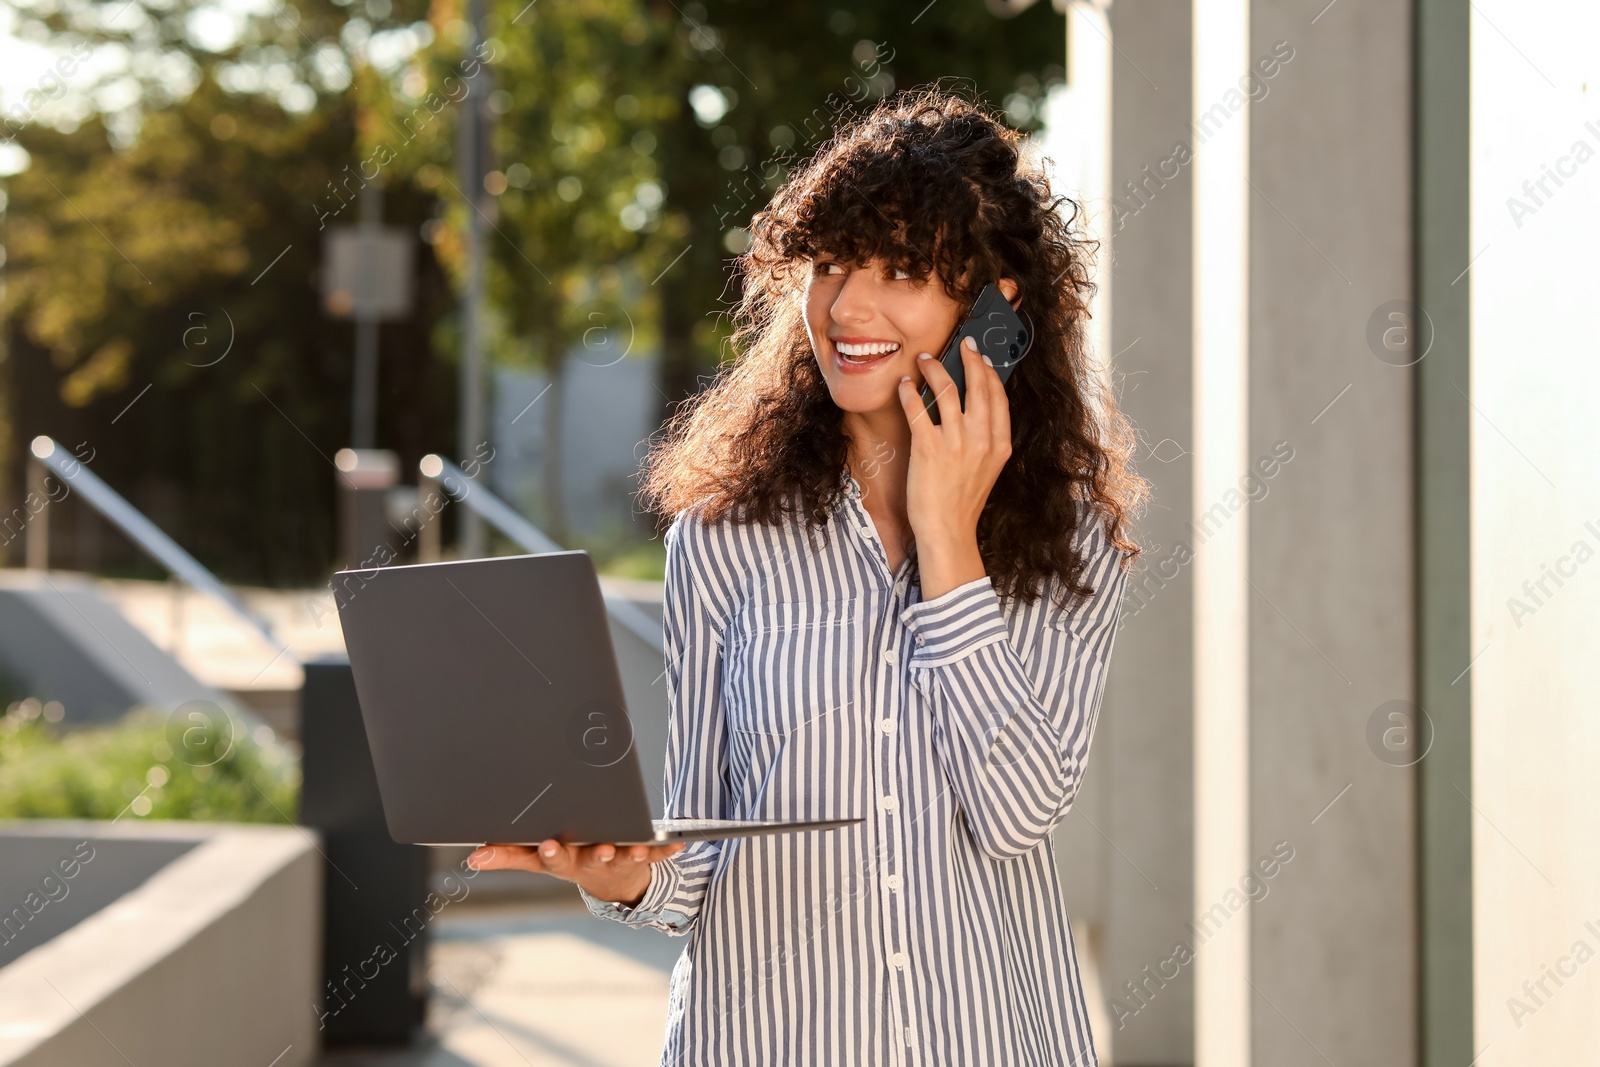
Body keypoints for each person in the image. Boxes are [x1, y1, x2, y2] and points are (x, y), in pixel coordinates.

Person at [468, 87, 1147, 1066]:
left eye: (902, 270)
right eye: (830, 265)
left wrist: (945, 535)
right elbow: (696, 857)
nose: (849, 306)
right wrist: (615, 874)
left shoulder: (1066, 536)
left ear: (994, 312)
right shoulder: (721, 537)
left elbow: (1017, 813)